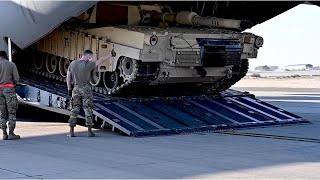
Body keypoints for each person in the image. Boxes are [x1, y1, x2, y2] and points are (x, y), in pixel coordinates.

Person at [66, 49, 116, 137]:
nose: (91, 58)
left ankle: (71, 131)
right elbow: (100, 60)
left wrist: (69, 89)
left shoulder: (72, 64)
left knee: (74, 109)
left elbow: (68, 78)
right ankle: (89, 131)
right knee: (88, 109)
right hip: (86, 89)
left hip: (76, 89)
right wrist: (110, 55)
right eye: (90, 57)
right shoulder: (88, 65)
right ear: (87, 56)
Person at [0, 51, 20, 140]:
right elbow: (16, 78)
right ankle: (11, 133)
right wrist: (12, 85)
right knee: (12, 111)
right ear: (6, 56)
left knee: (2, 113)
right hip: (9, 89)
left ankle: (4, 133)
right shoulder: (11, 64)